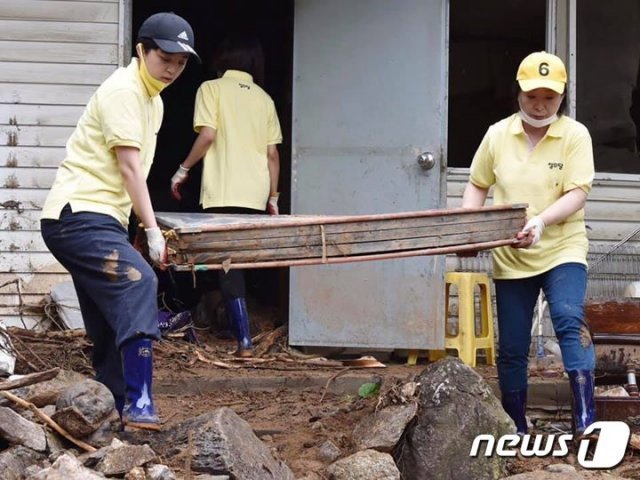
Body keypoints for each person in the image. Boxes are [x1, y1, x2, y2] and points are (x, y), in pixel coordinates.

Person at [40, 12, 200, 430]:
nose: (172, 69)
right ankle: (141, 400)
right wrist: (151, 232)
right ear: (141, 50)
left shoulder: (154, 101)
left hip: (101, 217)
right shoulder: (123, 91)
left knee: (110, 314)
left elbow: (133, 178)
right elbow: (130, 170)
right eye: (165, 58)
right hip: (77, 214)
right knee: (139, 282)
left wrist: (134, 230)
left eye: (181, 63)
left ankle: (108, 405)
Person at [461, 51, 596, 438]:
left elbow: (577, 193)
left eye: (549, 98)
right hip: (511, 252)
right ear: (517, 93)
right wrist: (471, 228)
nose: (539, 105)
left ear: (562, 97)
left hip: (561, 247)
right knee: (513, 345)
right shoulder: (498, 134)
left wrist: (539, 221)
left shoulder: (575, 135)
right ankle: (516, 424)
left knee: (570, 319)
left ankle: (586, 419)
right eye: (531, 96)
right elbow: (477, 183)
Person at [170, 35, 282, 358]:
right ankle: (243, 332)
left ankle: (244, 340)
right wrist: (273, 197)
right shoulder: (264, 99)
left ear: (221, 59)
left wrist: (182, 170)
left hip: (222, 191)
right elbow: (272, 154)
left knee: (228, 264)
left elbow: (207, 135)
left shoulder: (211, 89)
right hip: (256, 193)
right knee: (240, 262)